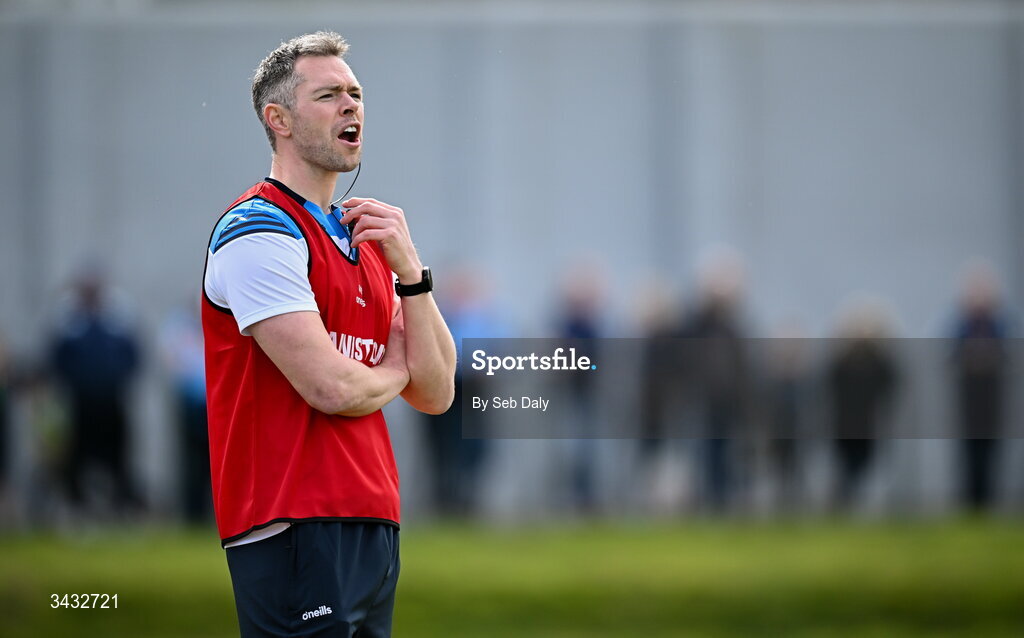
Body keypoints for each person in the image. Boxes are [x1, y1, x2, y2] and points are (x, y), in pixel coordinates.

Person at [202, 32, 455, 638]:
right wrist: (396, 368)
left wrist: (413, 274)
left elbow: (438, 390)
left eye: (356, 93)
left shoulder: (362, 238)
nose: (352, 105)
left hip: (372, 518)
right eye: (329, 94)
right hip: (292, 520)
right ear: (278, 119)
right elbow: (333, 388)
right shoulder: (258, 231)